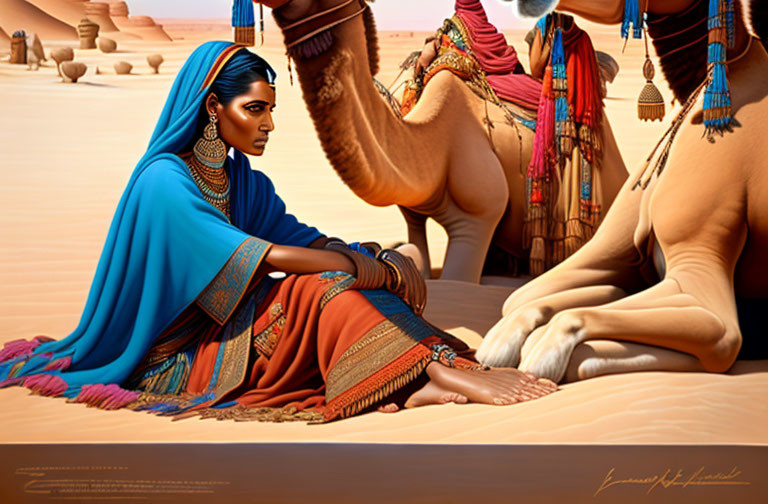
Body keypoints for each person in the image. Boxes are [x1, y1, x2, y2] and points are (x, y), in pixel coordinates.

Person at [0, 41, 555, 422]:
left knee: (346, 279)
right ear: (213, 108)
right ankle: (441, 372)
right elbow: (266, 257)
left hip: (240, 322)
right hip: (184, 350)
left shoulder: (241, 179)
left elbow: (303, 239)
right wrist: (358, 265)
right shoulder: (165, 182)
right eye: (255, 109)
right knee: (321, 287)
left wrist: (365, 258)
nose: (268, 124)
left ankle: (421, 382)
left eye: (271, 109)